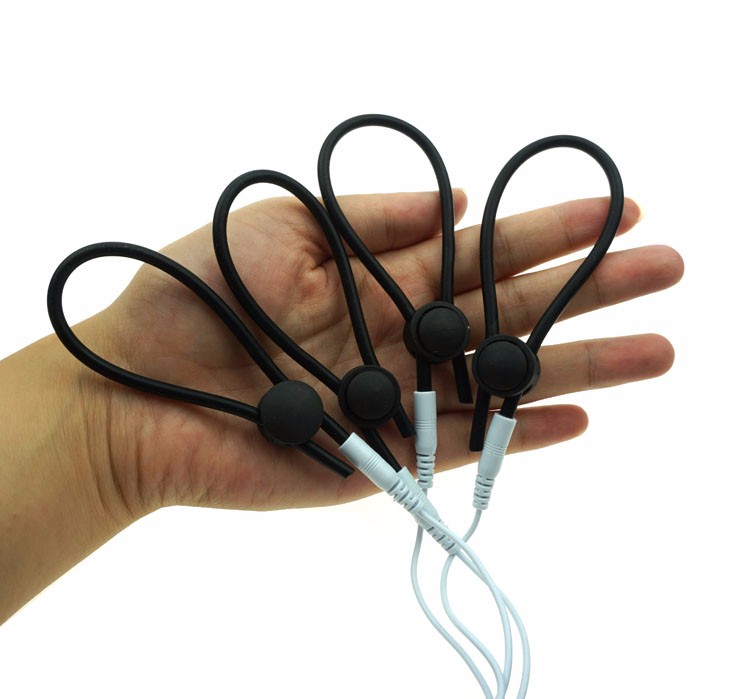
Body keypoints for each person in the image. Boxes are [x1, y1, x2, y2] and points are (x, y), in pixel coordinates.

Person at [0, 190, 683, 623]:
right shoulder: (332, 394)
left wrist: (107, 442)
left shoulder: (382, 380)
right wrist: (109, 441)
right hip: (331, 407)